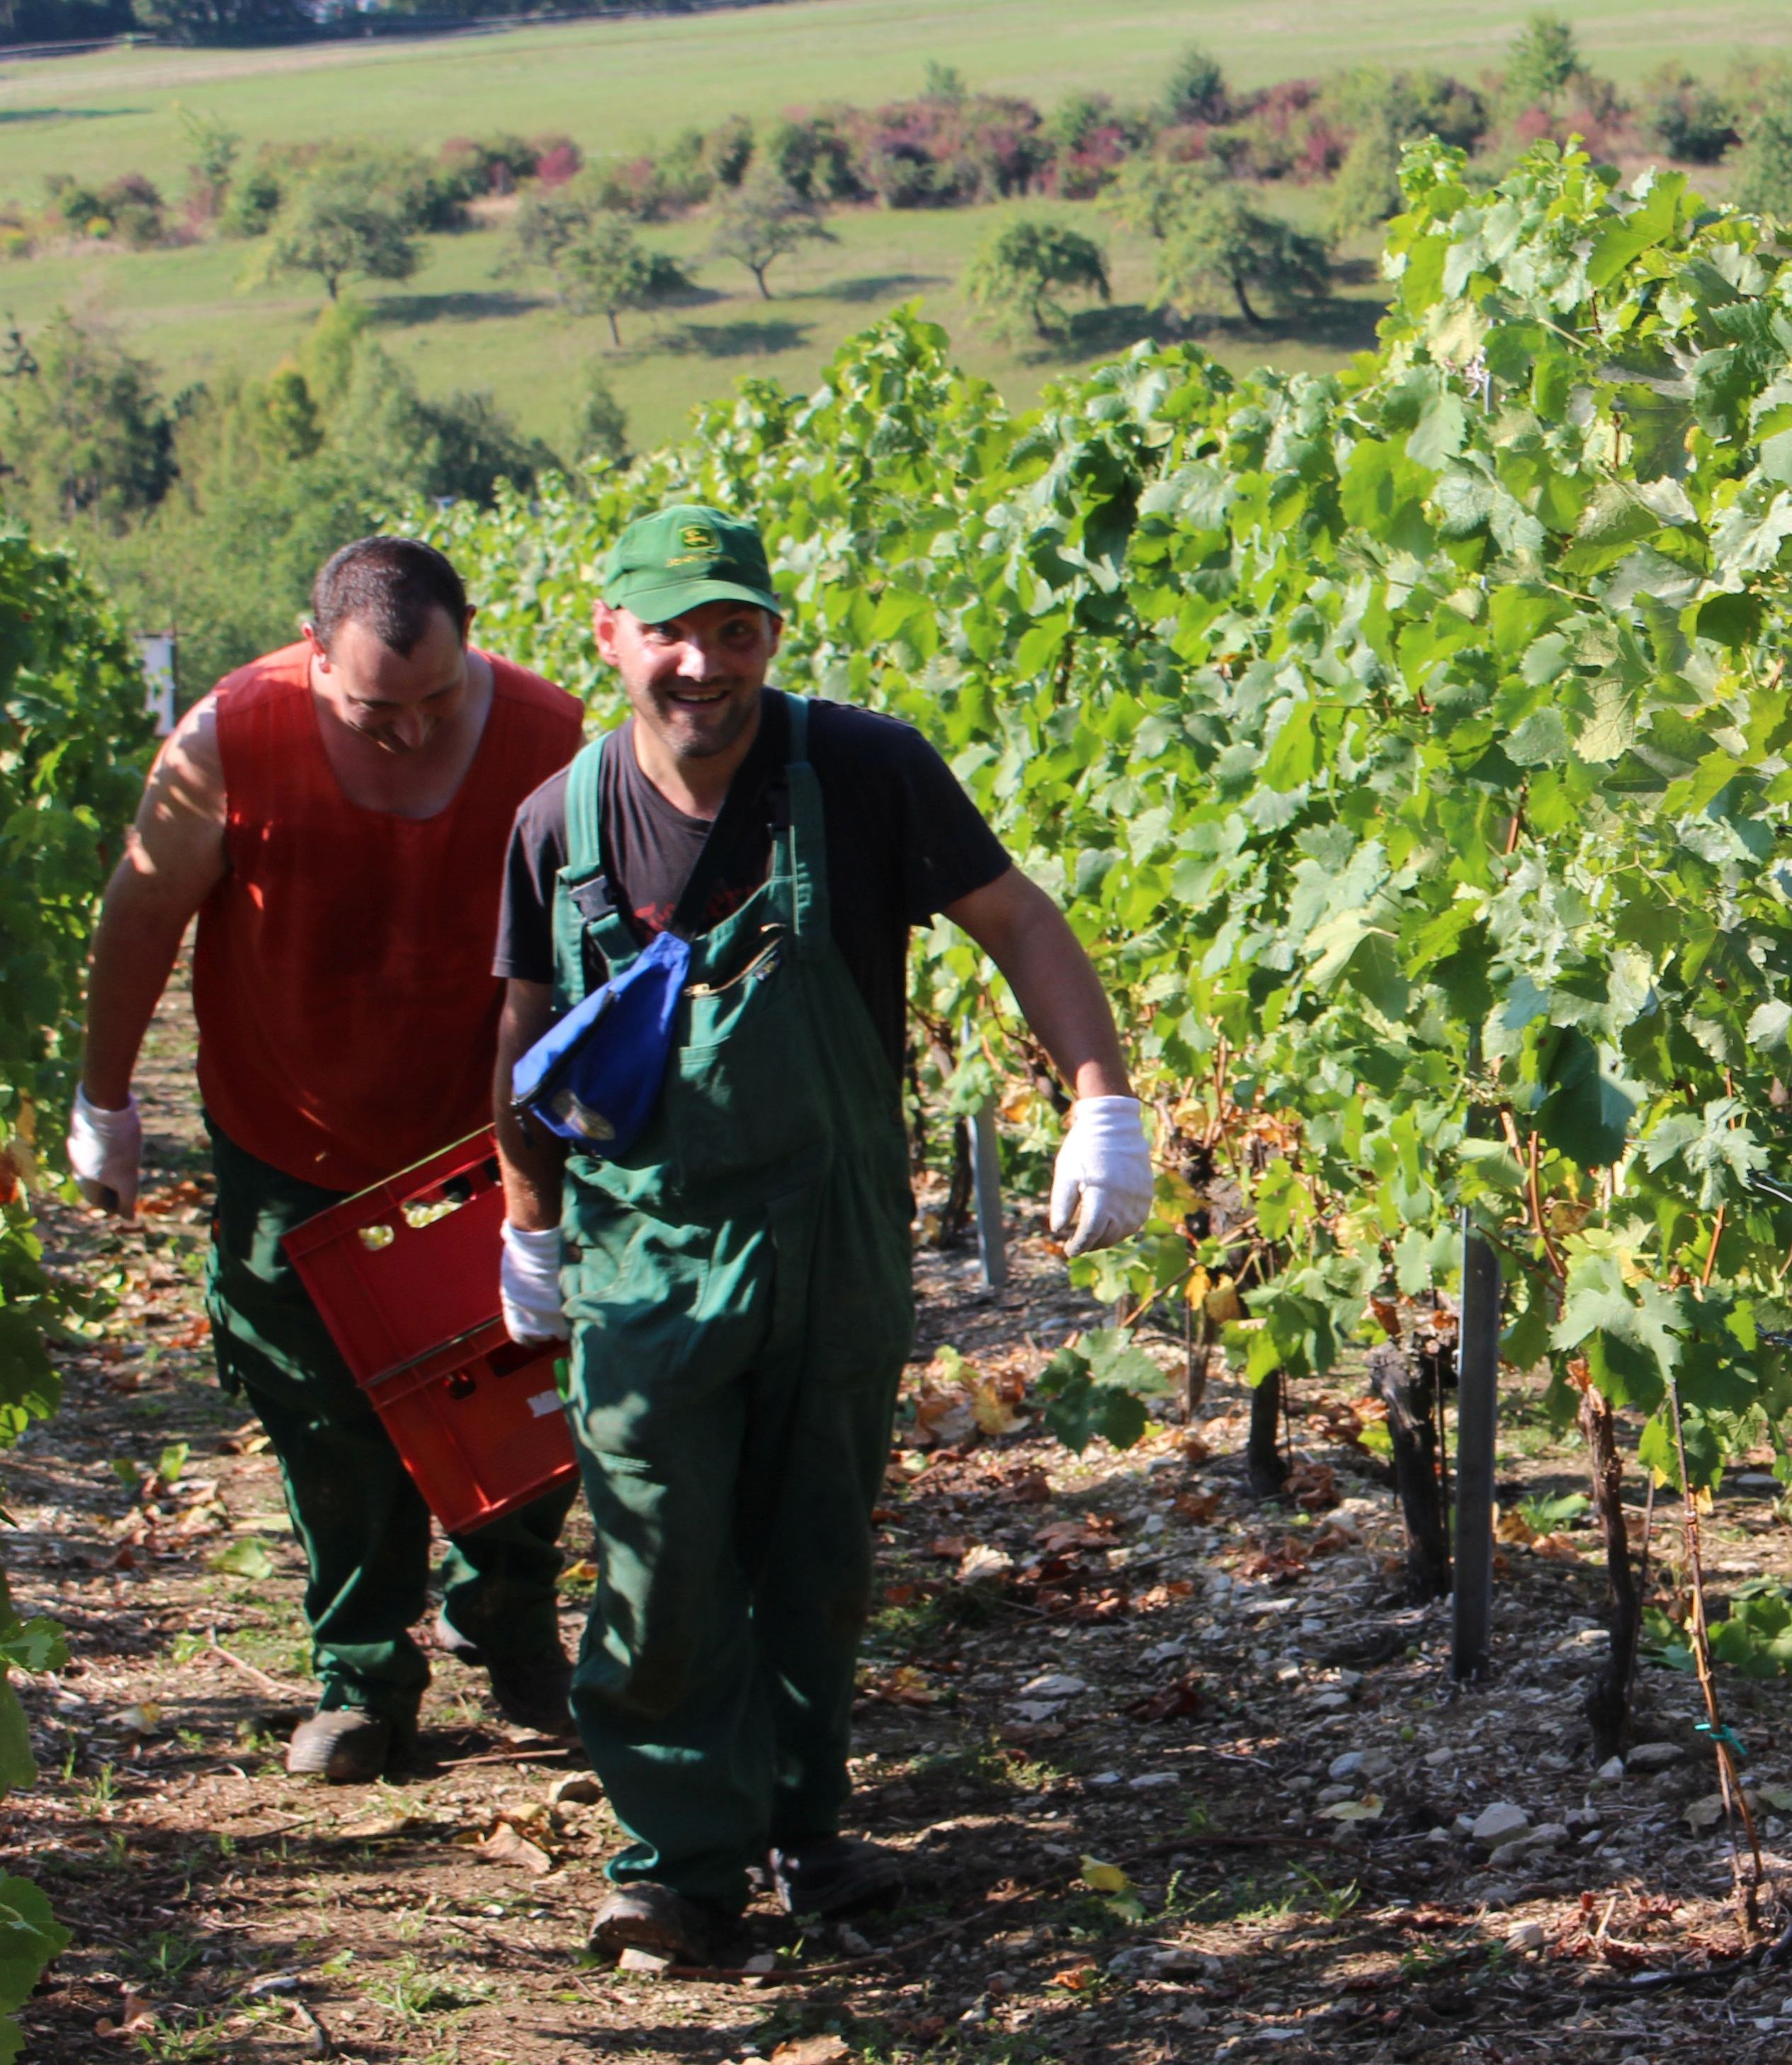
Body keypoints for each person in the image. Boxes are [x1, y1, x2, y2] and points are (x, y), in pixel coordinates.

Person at [490, 505, 1152, 1967]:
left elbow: (1021, 924)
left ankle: (804, 1825)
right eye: (669, 630)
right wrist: (527, 1225)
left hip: (834, 1240)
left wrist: (1100, 1103)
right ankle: (673, 1863)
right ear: (610, 636)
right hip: (645, 1255)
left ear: (771, 637)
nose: (703, 664)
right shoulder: (563, 821)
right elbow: (526, 1036)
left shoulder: (858, 771)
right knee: (660, 1561)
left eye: (735, 631)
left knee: (813, 1553)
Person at [68, 537, 589, 1783]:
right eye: (374, 710)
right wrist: (105, 1099)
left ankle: (509, 1624)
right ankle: (363, 1675)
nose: (409, 734)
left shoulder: (546, 734)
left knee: (522, 1392)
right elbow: (141, 912)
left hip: (487, 1135)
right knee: (327, 1420)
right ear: (314, 657)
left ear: (474, 643)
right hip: (292, 1135)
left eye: (436, 702)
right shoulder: (227, 742)